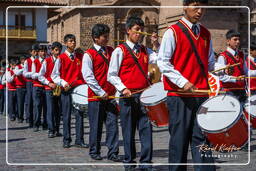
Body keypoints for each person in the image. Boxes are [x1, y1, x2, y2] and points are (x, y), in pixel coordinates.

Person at [157, 0, 216, 170]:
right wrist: (183, 82)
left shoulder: (206, 33)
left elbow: (209, 63)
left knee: (202, 140)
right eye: (195, 6)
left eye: (202, 7)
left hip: (202, 95)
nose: (200, 11)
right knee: (179, 141)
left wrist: (219, 70)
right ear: (185, 7)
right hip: (179, 97)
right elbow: (163, 63)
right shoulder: (172, 32)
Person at [107, 16, 159, 170]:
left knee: (146, 130)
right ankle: (129, 162)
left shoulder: (145, 50)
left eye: (141, 30)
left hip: (144, 97)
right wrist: (123, 88)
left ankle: (146, 163)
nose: (140, 33)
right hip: (127, 97)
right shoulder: (119, 50)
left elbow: (159, 60)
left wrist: (155, 44)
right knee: (128, 132)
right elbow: (112, 74)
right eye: (137, 30)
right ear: (128, 30)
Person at [82, 24, 120, 161]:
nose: (107, 38)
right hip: (96, 97)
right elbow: (88, 76)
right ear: (96, 38)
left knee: (113, 125)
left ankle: (113, 152)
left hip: (110, 96)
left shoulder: (111, 50)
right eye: (105, 36)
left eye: (108, 35)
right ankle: (94, 151)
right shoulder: (88, 55)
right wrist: (100, 91)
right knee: (96, 126)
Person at [51, 34, 87, 148]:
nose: (73, 43)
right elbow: (54, 75)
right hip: (66, 90)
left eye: (74, 41)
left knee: (79, 115)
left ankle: (79, 139)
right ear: (66, 43)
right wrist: (63, 83)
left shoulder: (80, 57)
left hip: (78, 90)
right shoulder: (60, 58)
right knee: (66, 115)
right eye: (71, 41)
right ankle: (66, 139)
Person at [39, 42, 62, 138]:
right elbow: (40, 76)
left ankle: (57, 129)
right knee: (50, 110)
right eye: (56, 50)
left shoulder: (62, 60)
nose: (58, 52)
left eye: (59, 50)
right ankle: (51, 129)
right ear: (52, 51)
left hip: (59, 88)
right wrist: (49, 83)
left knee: (58, 110)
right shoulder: (46, 61)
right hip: (49, 88)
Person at [216, 29, 247, 104]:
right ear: (228, 41)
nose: (238, 42)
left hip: (241, 90)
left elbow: (246, 71)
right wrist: (236, 79)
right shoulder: (223, 56)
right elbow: (221, 77)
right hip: (229, 91)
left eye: (239, 39)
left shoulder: (241, 55)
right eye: (235, 39)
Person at [31, 45, 48, 132]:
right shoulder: (35, 62)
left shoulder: (48, 61)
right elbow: (33, 75)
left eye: (44, 51)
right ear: (38, 52)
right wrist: (40, 74)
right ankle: (36, 124)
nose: (43, 53)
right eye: (41, 51)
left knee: (46, 106)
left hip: (46, 87)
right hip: (37, 86)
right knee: (37, 106)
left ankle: (45, 124)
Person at [23, 44, 39, 127]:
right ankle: (30, 119)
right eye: (34, 51)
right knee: (29, 101)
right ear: (31, 52)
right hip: (30, 82)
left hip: (38, 82)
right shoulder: (27, 61)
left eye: (37, 51)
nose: (36, 53)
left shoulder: (40, 60)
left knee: (36, 102)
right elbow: (24, 73)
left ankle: (37, 120)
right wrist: (32, 74)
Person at [14, 56, 27, 123]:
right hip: (20, 87)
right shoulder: (17, 66)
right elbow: (17, 73)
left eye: (25, 60)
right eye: (23, 60)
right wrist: (24, 69)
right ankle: (20, 117)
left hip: (27, 86)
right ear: (21, 60)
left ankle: (28, 118)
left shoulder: (27, 66)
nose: (24, 61)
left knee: (27, 103)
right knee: (20, 103)